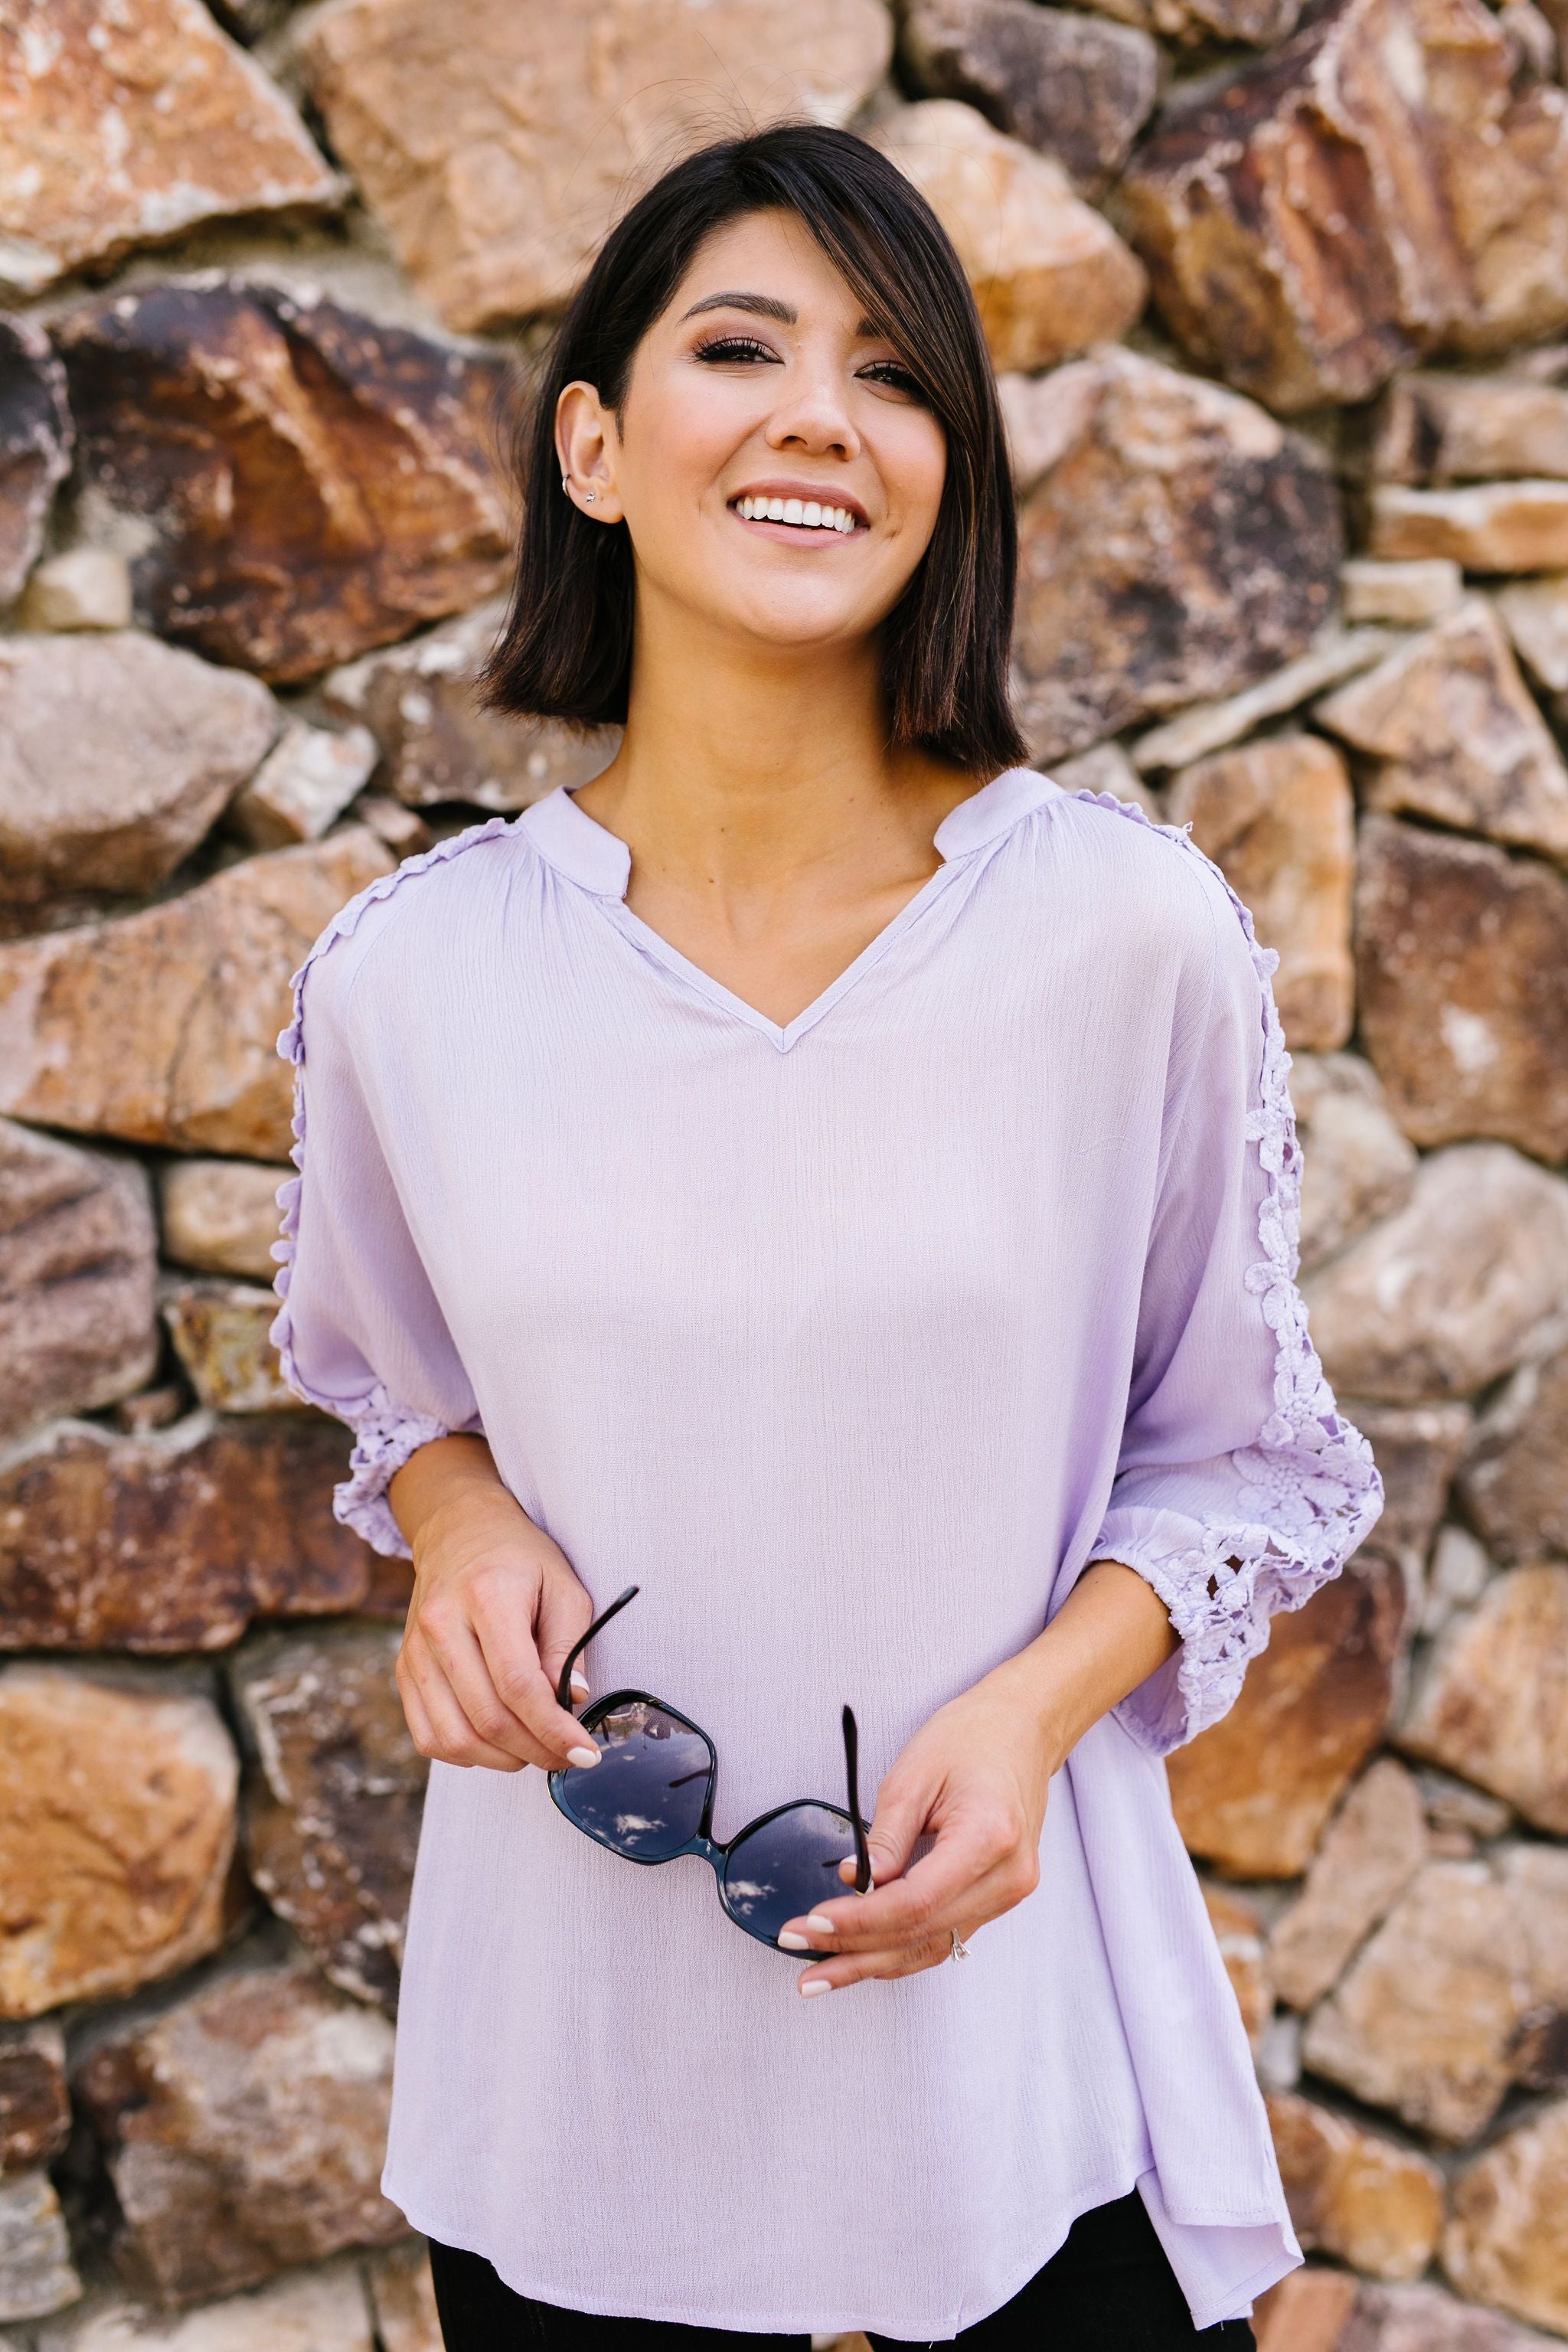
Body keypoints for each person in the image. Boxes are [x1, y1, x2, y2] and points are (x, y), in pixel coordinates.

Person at [270, 124, 1383, 2351]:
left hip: (1021, 2064)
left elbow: (1242, 1460)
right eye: (741, 349)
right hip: (580, 2080)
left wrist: (1040, 1713)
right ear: (593, 445)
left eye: (892, 376)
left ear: (947, 478)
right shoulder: (416, 976)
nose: (818, 418)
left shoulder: (1124, 936)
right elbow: (403, 1395)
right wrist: (462, 1531)